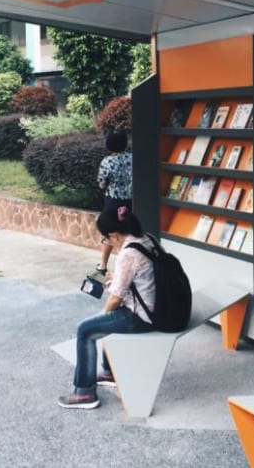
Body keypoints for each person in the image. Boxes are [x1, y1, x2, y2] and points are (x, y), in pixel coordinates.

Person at [58, 205, 155, 409]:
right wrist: (116, 277)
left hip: (143, 316)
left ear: (114, 235)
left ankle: (84, 393)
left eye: (105, 239)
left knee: (86, 329)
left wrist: (103, 313)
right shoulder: (147, 238)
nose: (106, 243)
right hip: (156, 307)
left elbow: (115, 299)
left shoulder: (128, 254)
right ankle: (110, 372)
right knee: (106, 320)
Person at [96, 131, 133, 273]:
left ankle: (103, 265)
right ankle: (125, 267)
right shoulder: (133, 158)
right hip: (130, 201)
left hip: (113, 202)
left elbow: (102, 184)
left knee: (109, 233)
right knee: (127, 233)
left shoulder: (107, 161)